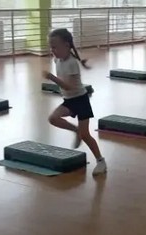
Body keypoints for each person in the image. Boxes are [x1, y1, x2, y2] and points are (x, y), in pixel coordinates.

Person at [43, 28, 107, 176]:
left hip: (81, 100)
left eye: (55, 47)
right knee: (53, 118)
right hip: (69, 100)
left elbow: (68, 86)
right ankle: (76, 130)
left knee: (86, 135)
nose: (52, 51)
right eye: (51, 47)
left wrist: (51, 77)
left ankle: (101, 161)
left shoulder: (72, 63)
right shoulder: (57, 59)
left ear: (66, 46)